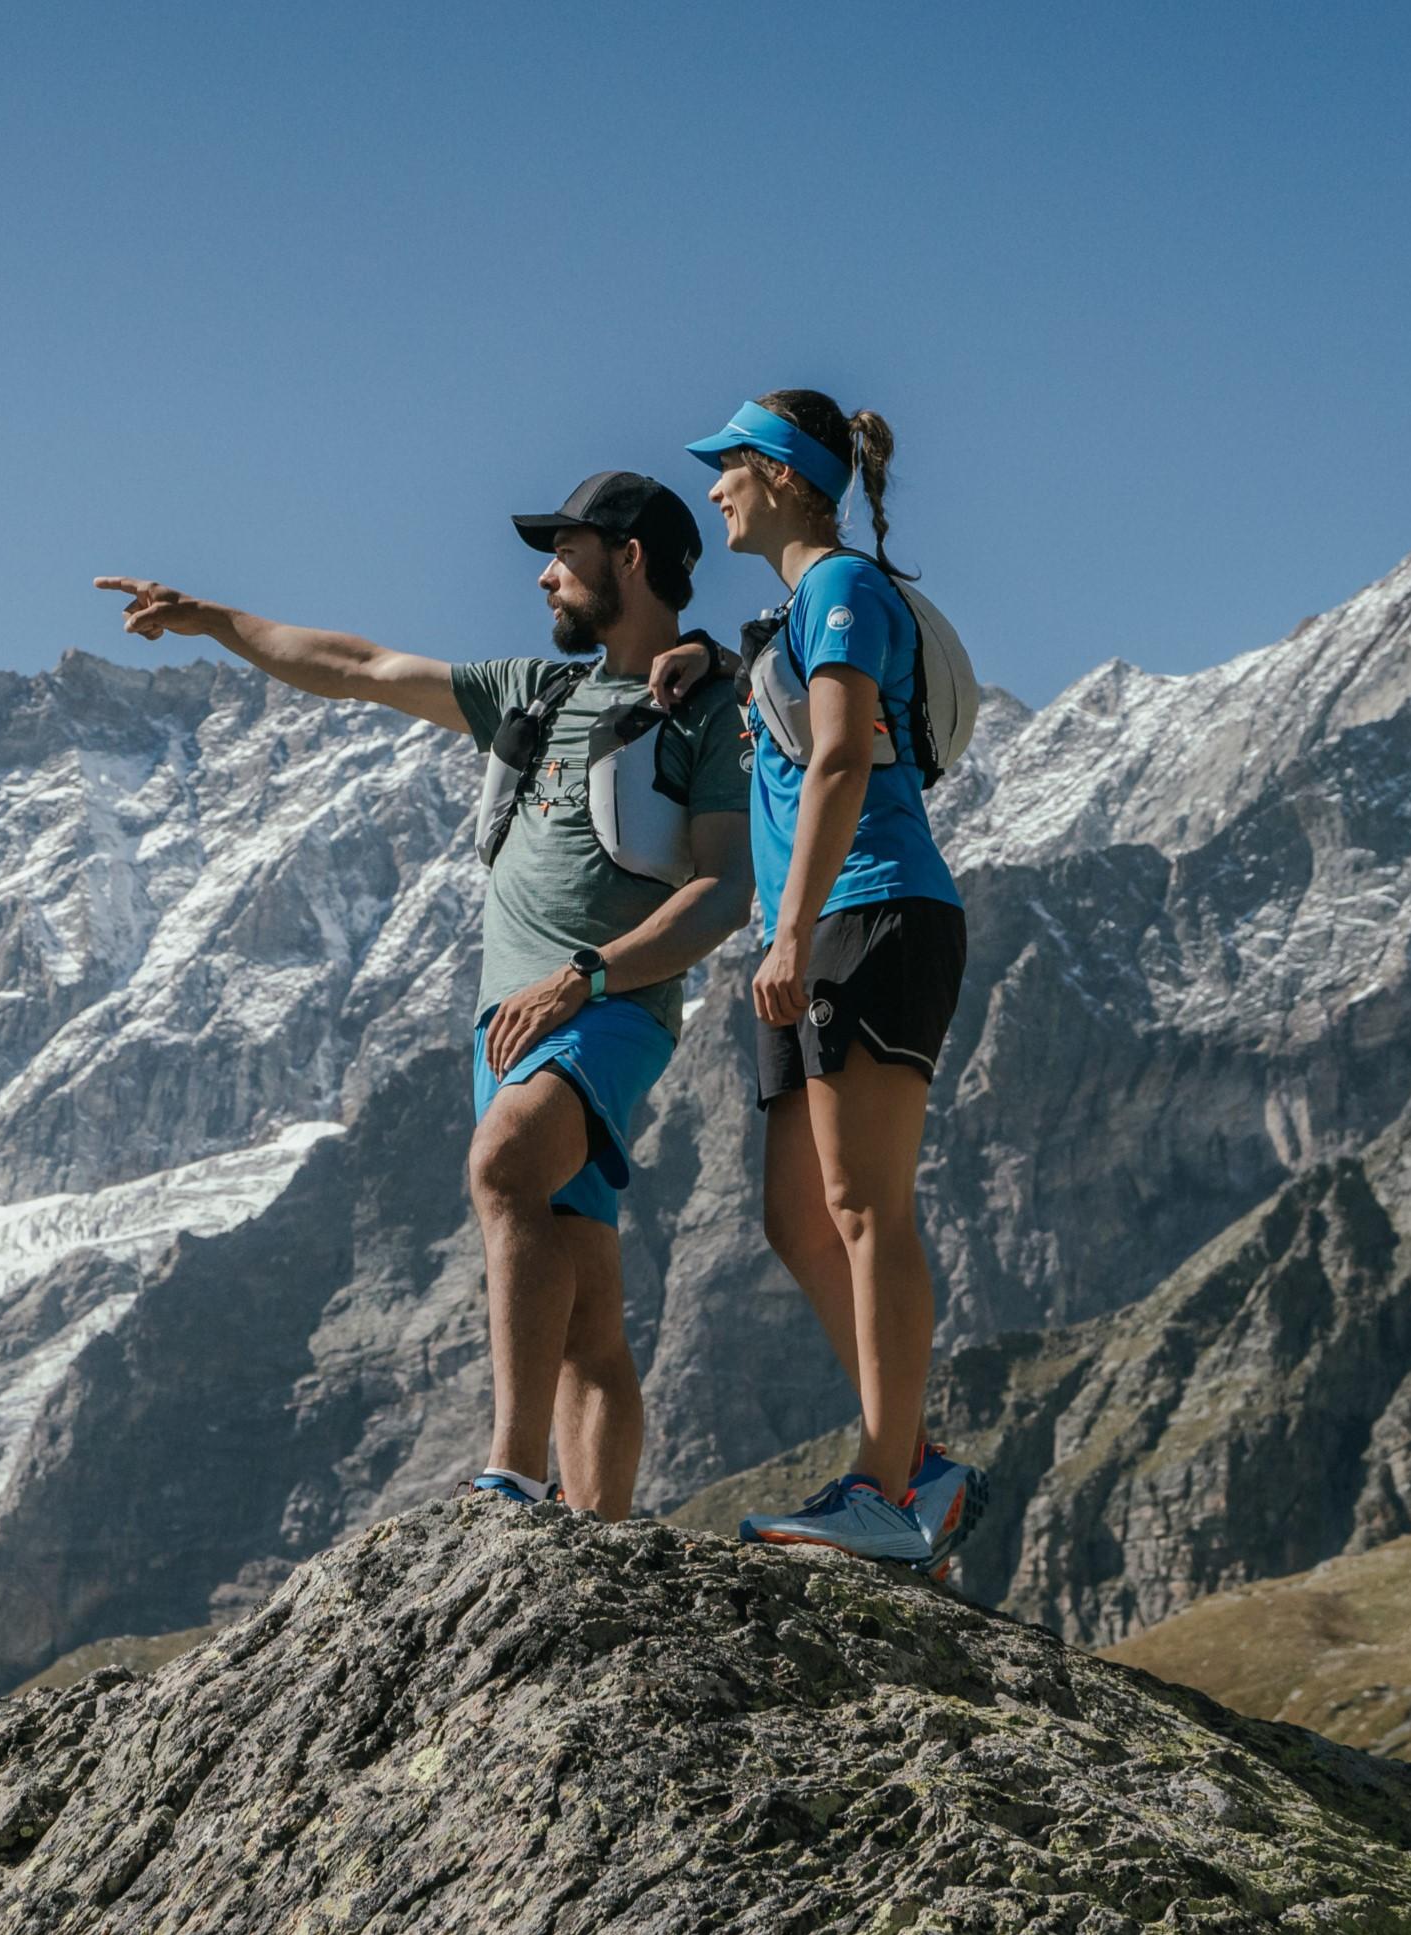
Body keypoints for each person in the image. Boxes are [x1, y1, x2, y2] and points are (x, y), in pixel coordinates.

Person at [96, 471, 752, 1520]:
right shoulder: (534, 694)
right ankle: (603, 1537)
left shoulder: (707, 711)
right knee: (586, 1302)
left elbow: (725, 892)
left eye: (566, 553)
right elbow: (357, 668)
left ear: (630, 559)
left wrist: (589, 974)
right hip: (509, 1025)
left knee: (501, 1168)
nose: (545, 575)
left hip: (607, 1009)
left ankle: (510, 1476)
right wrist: (216, 620)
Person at [647, 390, 986, 1571]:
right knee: (796, 1218)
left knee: (861, 1206)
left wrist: (786, 933)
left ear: (787, 476)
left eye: (729, 467)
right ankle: (922, 1468)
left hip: (872, 911)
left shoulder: (844, 588)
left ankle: (885, 1492)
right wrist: (707, 652)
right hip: (830, 922)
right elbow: (783, 686)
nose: (714, 489)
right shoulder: (803, 605)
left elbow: (842, 753)